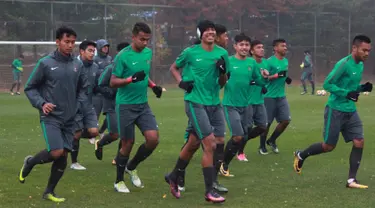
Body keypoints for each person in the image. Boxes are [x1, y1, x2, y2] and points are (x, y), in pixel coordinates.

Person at [19, 26, 90, 202]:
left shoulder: (77, 64)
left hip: (70, 117)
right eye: (67, 41)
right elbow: (30, 87)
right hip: (50, 117)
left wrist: (78, 104)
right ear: (58, 42)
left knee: (63, 155)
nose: (70, 45)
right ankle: (30, 162)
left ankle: (49, 192)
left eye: (73, 42)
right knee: (57, 152)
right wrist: (42, 103)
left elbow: (84, 88)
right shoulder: (45, 63)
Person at [294, 35, 372, 189]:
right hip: (335, 110)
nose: (367, 53)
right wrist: (346, 93)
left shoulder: (360, 65)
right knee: (328, 146)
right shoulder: (343, 64)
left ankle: (351, 180)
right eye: (364, 50)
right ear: (354, 48)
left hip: (350, 110)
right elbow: (328, 84)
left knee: (359, 141)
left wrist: (362, 88)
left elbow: (351, 88)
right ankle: (301, 155)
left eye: (369, 50)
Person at [165, 20, 228, 203]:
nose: (210, 32)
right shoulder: (191, 52)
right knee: (210, 144)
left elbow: (223, 83)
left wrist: (222, 71)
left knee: (193, 143)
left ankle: (173, 175)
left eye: (212, 30)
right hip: (195, 102)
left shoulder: (222, 54)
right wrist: (180, 82)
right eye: (206, 30)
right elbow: (174, 68)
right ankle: (209, 191)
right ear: (200, 34)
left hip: (214, 103)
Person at [110, 22, 163, 193]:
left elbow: (143, 75)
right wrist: (129, 80)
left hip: (143, 105)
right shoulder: (122, 56)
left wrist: (153, 85)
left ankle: (131, 166)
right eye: (142, 39)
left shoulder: (148, 53)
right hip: (125, 105)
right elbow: (112, 82)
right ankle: (118, 181)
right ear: (133, 37)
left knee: (153, 139)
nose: (145, 43)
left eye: (148, 40)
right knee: (128, 143)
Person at [220, 34, 269, 175]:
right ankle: (223, 164)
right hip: (230, 105)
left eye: (247, 45)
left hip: (246, 105)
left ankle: (223, 160)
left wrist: (264, 77)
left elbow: (258, 80)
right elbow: (219, 79)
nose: (244, 47)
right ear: (235, 46)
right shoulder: (228, 61)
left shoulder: (251, 63)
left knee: (244, 134)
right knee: (237, 136)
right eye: (241, 44)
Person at [95, 42, 130, 165]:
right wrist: (111, 93)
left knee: (126, 135)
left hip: (126, 105)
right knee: (115, 134)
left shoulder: (130, 68)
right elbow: (100, 84)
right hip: (111, 105)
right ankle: (99, 143)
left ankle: (118, 158)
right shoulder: (111, 68)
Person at [237, 40, 269, 160]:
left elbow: (264, 78)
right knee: (247, 128)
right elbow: (246, 80)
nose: (262, 49)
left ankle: (239, 141)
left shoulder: (265, 63)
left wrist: (264, 84)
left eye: (262, 47)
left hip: (259, 101)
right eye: (258, 47)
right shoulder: (247, 63)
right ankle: (240, 152)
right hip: (248, 101)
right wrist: (256, 82)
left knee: (262, 126)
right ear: (252, 51)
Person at [70, 40, 100, 170]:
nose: (92, 53)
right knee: (76, 134)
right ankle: (74, 162)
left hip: (88, 104)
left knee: (94, 132)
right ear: (81, 51)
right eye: (90, 50)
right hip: (74, 104)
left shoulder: (95, 67)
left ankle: (69, 136)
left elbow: (98, 86)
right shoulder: (72, 65)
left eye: (94, 51)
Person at [260, 39, 292, 154]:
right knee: (267, 123)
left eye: (285, 46)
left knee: (286, 120)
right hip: (269, 96)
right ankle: (262, 146)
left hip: (281, 96)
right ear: (275, 48)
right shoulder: (269, 62)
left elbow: (284, 74)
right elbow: (264, 78)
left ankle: (272, 140)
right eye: (283, 46)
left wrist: (286, 78)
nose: (285, 48)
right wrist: (275, 76)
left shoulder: (286, 61)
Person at [90, 39, 113, 144]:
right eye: (104, 46)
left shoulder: (110, 59)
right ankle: (92, 135)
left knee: (110, 114)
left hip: (108, 91)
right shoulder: (94, 59)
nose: (106, 48)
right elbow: (94, 74)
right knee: (96, 114)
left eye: (107, 46)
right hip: (98, 92)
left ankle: (102, 130)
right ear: (99, 48)